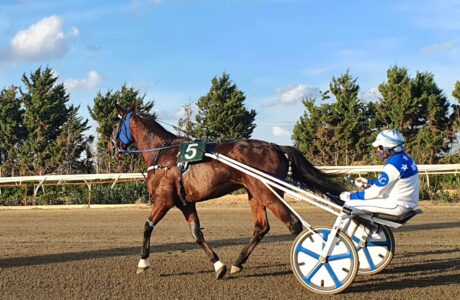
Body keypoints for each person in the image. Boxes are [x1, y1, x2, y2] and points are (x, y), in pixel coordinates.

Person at [339, 129, 420, 216]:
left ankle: (342, 229)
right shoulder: (406, 158)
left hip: (397, 205)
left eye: (380, 147)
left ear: (388, 147)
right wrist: (368, 183)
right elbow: (388, 183)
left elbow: (374, 193)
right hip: (406, 203)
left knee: (350, 205)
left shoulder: (393, 165)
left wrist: (350, 196)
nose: (378, 149)